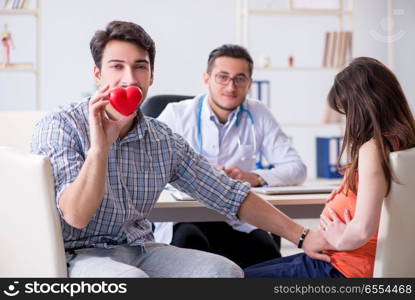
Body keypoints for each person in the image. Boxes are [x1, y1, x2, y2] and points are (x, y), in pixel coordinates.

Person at [31, 20, 328, 278]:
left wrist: (303, 236)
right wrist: (99, 148)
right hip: (80, 255)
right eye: (117, 67)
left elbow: (229, 195)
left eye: (140, 67)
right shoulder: (61, 126)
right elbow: (76, 216)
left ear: (151, 76)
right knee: (129, 280)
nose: (130, 79)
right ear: (97, 74)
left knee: (224, 273)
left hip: (140, 248)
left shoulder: (162, 140)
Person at [244, 57, 415, 278]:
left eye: (346, 112)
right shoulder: (404, 143)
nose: (347, 122)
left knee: (234, 277)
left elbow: (363, 229)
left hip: (342, 267)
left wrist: (338, 239)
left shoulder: (373, 149)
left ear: (362, 108)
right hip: (345, 262)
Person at [154, 44, 307, 268]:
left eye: (239, 79)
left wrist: (254, 177)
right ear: (206, 79)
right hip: (186, 216)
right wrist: (200, 175)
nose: (231, 86)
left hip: (236, 217)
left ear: (249, 84)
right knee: (189, 244)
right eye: (222, 77)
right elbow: (150, 168)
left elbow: (297, 168)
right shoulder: (176, 114)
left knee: (267, 253)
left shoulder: (258, 113)